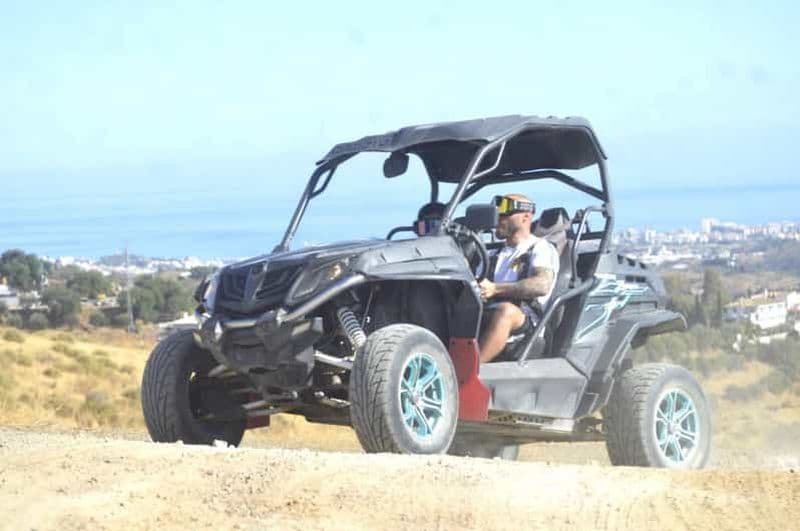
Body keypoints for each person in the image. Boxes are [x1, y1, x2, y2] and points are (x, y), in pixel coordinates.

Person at [478, 193, 559, 363]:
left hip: (525, 324)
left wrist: (495, 289)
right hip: (486, 314)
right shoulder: (491, 254)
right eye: (496, 214)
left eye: (505, 214)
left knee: (505, 311)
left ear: (526, 217)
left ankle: (469, 376)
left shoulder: (540, 248)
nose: (498, 219)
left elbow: (541, 285)